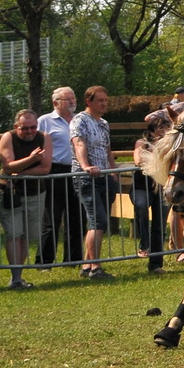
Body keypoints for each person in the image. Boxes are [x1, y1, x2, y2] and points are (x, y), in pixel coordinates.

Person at [0, 109, 53, 289]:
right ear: (16, 127)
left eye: (33, 127)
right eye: (25, 128)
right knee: (14, 234)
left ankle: (18, 277)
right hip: (10, 194)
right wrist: (31, 159)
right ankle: (15, 278)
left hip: (36, 194)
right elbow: (7, 165)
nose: (29, 131)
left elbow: (45, 169)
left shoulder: (44, 137)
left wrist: (19, 172)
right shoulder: (8, 137)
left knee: (27, 236)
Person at [70, 85, 117, 278]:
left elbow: (107, 150)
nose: (104, 103)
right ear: (89, 101)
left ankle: (87, 265)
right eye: (100, 100)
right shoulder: (79, 120)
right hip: (87, 178)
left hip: (105, 177)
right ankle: (95, 267)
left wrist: (113, 173)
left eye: (106, 100)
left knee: (97, 222)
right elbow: (78, 143)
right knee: (98, 220)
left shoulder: (104, 123)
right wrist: (85, 166)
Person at [36, 85, 84, 267]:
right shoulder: (45, 121)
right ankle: (45, 261)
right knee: (52, 218)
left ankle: (73, 260)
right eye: (68, 99)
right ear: (55, 103)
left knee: (76, 217)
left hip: (75, 170)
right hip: (54, 171)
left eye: (74, 99)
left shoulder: (79, 120)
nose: (72, 102)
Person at [130, 111, 171, 271]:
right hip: (142, 186)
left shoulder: (169, 145)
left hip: (161, 187)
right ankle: (144, 244)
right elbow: (138, 160)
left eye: (166, 128)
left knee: (159, 225)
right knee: (141, 205)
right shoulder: (142, 143)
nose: (164, 132)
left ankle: (156, 263)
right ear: (152, 130)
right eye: (161, 129)